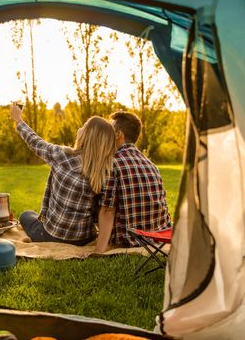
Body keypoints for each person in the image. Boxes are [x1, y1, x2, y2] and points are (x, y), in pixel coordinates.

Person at [10, 103, 116, 246]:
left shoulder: (62, 155)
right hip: (85, 238)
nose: (80, 128)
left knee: (26, 215)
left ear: (86, 135)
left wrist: (18, 119)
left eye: (84, 126)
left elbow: (34, 141)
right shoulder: (106, 171)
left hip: (53, 235)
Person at [95, 111, 172, 253]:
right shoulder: (151, 164)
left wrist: (98, 251)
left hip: (129, 238)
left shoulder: (113, 164)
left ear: (119, 135)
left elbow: (108, 211)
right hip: (157, 235)